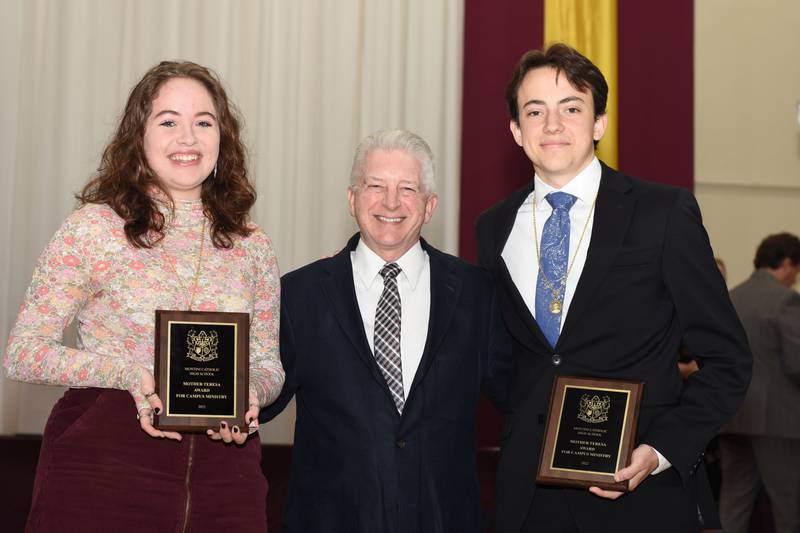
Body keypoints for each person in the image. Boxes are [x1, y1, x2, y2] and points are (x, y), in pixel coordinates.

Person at [475, 43, 752, 533]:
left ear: (599, 123)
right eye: (535, 111)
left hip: (640, 490)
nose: (553, 124)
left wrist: (662, 450)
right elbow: (505, 359)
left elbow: (729, 360)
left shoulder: (663, 214)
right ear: (517, 131)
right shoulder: (493, 226)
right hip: (528, 498)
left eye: (572, 108)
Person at [4, 61, 284, 532]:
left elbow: (269, 362)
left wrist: (251, 391)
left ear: (223, 137)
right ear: (140, 134)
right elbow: (23, 353)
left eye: (203, 122)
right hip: (104, 469)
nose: (187, 138)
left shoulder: (250, 243)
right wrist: (127, 373)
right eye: (168, 121)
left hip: (225, 478)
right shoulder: (94, 229)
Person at [259, 129, 511, 532]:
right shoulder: (298, 294)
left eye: (407, 188)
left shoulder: (478, 294)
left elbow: (519, 398)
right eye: (375, 185)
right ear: (352, 198)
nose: (391, 202)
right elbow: (259, 395)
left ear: (429, 207)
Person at [719, 233, 800, 533]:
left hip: (733, 415)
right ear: (788, 263)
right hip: (777, 421)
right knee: (787, 508)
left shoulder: (731, 297)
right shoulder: (787, 301)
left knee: (734, 504)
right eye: (796, 271)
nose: (794, 279)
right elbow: (797, 364)